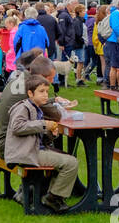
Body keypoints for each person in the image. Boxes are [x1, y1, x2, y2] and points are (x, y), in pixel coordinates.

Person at [6, 74, 79, 212]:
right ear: (30, 93)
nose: (46, 95)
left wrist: (50, 133)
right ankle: (53, 198)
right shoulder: (23, 107)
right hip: (25, 153)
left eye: (47, 91)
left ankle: (49, 195)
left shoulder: (35, 108)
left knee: (66, 157)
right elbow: (17, 127)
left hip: (31, 150)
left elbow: (35, 134)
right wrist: (44, 124)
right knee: (71, 163)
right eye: (41, 91)